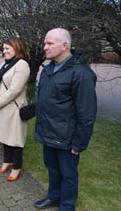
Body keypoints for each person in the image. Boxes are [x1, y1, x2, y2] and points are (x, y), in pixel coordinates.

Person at [33, 28, 97, 210]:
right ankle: (53, 196)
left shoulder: (80, 73)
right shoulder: (48, 70)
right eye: (45, 43)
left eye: (49, 43)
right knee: (52, 170)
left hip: (67, 138)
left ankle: (67, 205)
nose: (44, 47)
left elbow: (87, 113)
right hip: (48, 133)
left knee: (68, 175)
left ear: (65, 45)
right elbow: (45, 101)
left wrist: (79, 143)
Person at [0, 38, 30, 182]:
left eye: (7, 48)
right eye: (4, 48)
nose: (4, 51)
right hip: (2, 107)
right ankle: (7, 161)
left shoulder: (22, 65)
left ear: (17, 48)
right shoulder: (4, 65)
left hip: (14, 108)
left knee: (15, 138)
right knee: (6, 136)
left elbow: (15, 90)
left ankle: (17, 166)